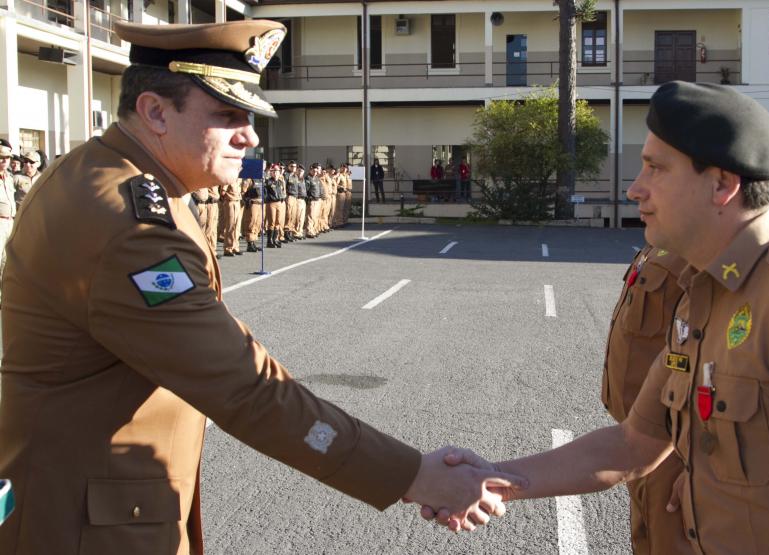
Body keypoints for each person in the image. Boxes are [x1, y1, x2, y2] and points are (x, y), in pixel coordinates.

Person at [0, 20, 522, 554]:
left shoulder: (107, 175)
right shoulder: (131, 226)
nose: (249, 135)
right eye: (227, 116)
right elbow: (246, 388)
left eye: (248, 116)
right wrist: (413, 475)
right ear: (156, 112)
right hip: (80, 527)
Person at [428, 82, 769, 551]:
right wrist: (494, 479)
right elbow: (632, 446)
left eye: (655, 169)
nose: (636, 189)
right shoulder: (703, 291)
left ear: (722, 183)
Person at [602, 244, 690, 555]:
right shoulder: (659, 245)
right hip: (639, 432)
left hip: (674, 446)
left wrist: (694, 464)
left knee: (667, 542)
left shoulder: (703, 258)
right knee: (645, 537)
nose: (636, 192)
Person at [0, 144, 16, 307]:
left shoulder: (9, 178)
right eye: (1, 158)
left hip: (10, 221)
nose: (4, 161)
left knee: (7, 260)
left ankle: (4, 295)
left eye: (6, 158)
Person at [220, 177, 243, 257]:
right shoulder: (229, 178)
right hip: (230, 202)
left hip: (237, 202)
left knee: (237, 226)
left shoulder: (239, 178)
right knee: (230, 226)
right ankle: (228, 248)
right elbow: (223, 192)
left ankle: (235, 247)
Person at [264, 164, 286, 248]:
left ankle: (275, 239)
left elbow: (283, 192)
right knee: (271, 222)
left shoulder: (280, 182)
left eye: (277, 171)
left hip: (279, 202)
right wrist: (268, 199)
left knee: (278, 221)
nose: (276, 173)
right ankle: (269, 241)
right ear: (271, 173)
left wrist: (283, 198)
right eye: (274, 171)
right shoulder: (268, 182)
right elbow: (265, 193)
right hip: (272, 203)